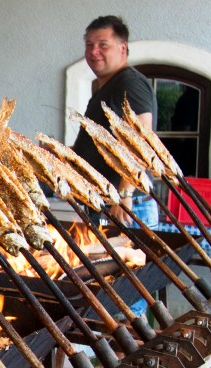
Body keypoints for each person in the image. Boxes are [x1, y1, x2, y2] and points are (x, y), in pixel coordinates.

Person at [73, 15, 159, 230]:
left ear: (122, 48)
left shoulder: (129, 83)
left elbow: (140, 140)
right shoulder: (105, 87)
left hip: (127, 207)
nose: (94, 52)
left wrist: (124, 193)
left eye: (103, 45)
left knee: (131, 264)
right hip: (106, 203)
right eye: (89, 45)